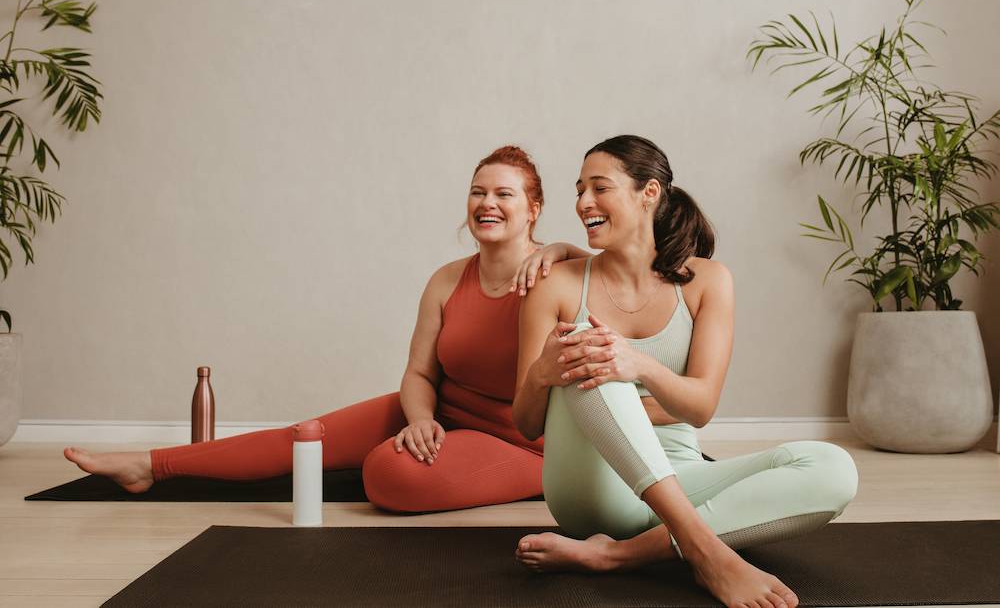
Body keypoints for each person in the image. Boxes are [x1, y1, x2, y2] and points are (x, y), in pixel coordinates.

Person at [64, 145, 588, 513]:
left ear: (533, 209)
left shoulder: (556, 274)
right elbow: (418, 373)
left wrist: (566, 248)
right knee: (303, 438)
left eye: (504, 194)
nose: (486, 204)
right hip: (446, 412)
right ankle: (149, 466)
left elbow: (611, 284)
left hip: (522, 443)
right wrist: (421, 418)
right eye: (477, 192)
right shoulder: (447, 280)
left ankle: (519, 481)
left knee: (388, 475)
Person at [511, 135, 858, 608]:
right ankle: (706, 551)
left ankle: (618, 556)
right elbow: (526, 422)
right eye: (579, 190)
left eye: (599, 187)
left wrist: (640, 366)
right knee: (594, 358)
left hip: (683, 476)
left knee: (833, 470)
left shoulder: (708, 281)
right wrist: (543, 376)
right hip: (591, 488)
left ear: (648, 192)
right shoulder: (557, 283)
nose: (582, 202)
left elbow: (699, 408)